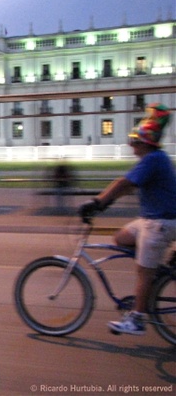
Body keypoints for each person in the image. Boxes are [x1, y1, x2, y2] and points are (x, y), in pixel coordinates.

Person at [79, 103, 176, 336]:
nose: (131, 145)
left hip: (160, 223)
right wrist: (106, 202)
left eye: (134, 141)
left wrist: (97, 203)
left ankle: (137, 319)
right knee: (121, 237)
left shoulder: (153, 160)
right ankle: (158, 273)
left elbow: (123, 184)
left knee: (143, 271)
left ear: (145, 142)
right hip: (150, 220)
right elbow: (127, 187)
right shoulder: (153, 159)